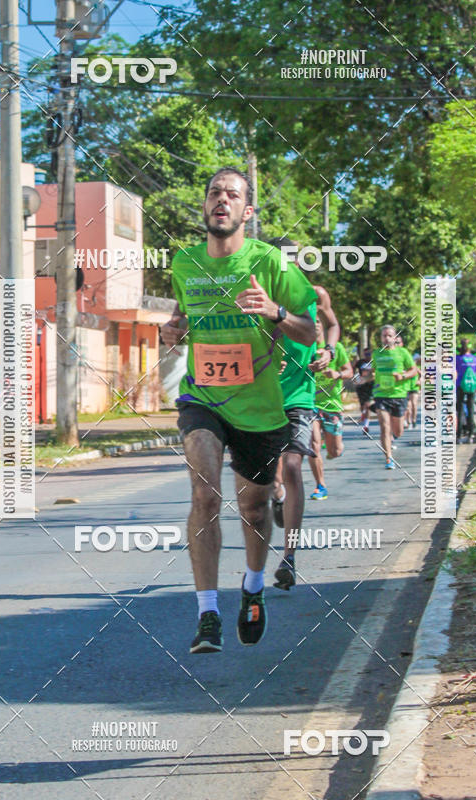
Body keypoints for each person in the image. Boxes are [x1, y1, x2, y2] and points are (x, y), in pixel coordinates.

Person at [160, 166, 317, 653]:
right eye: (213, 193)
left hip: (260, 406)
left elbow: (308, 331)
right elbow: (183, 321)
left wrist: (274, 311)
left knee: (252, 505)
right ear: (205, 207)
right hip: (203, 397)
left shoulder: (272, 263)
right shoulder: (184, 263)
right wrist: (173, 331)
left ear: (247, 211)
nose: (221, 200)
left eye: (232, 195)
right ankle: (207, 613)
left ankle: (252, 586)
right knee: (204, 495)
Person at [264, 237, 340, 592]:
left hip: (300, 395)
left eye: (294, 259)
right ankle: (277, 498)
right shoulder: (258, 294)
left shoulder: (315, 293)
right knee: (270, 478)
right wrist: (263, 355)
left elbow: (333, 325)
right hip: (261, 398)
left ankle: (289, 558)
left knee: (293, 466)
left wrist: (328, 351)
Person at [308, 323, 353, 500]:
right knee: (313, 444)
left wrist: (337, 374)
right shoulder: (304, 346)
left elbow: (349, 371)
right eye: (312, 320)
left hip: (332, 405)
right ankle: (320, 485)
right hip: (310, 403)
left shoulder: (336, 348)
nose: (315, 324)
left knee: (334, 451)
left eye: (318, 321)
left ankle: (334, 447)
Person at [371, 325, 417, 469]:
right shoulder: (376, 354)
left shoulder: (402, 353)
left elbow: (413, 370)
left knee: (398, 431)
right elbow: (372, 371)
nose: (387, 338)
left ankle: (394, 436)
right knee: (384, 426)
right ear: (381, 338)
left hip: (399, 395)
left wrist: (402, 376)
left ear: (395, 338)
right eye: (384, 336)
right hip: (381, 394)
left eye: (389, 335)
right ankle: (388, 458)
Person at [455, 339, 476, 443]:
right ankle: (470, 435)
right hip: (472, 387)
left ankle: (459, 436)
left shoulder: (458, 359)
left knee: (460, 410)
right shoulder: (475, 359)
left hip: (460, 386)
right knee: (471, 410)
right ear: (470, 348)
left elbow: (454, 373)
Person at [353, 347, 373, 435]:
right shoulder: (360, 362)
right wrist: (355, 378)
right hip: (361, 386)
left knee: (367, 405)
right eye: (365, 354)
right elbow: (352, 369)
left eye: (368, 354)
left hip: (371, 385)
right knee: (362, 406)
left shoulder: (374, 362)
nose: (367, 356)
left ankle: (366, 426)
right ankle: (363, 414)